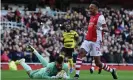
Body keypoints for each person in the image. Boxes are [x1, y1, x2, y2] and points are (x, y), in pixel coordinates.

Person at [74, 1, 118, 79]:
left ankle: (112, 71)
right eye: (89, 8)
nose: (89, 9)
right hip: (87, 40)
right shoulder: (91, 17)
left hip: (96, 41)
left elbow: (106, 29)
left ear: (96, 8)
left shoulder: (100, 17)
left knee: (98, 63)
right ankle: (77, 75)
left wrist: (99, 28)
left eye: (91, 8)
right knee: (80, 54)